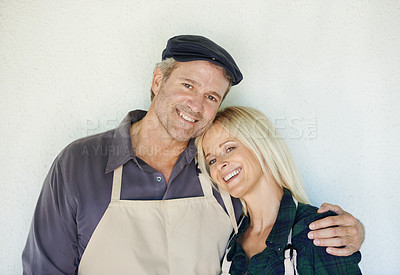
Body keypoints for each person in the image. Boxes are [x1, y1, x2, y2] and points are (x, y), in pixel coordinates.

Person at [22, 35, 364, 274]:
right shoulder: (79, 164)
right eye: (188, 85)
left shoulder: (218, 174)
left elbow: (275, 218)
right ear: (158, 81)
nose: (197, 105)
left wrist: (348, 232)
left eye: (213, 97)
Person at [197, 106, 362, 274]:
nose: (219, 164)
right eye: (212, 160)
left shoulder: (318, 231)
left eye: (229, 148)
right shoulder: (230, 246)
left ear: (261, 147)